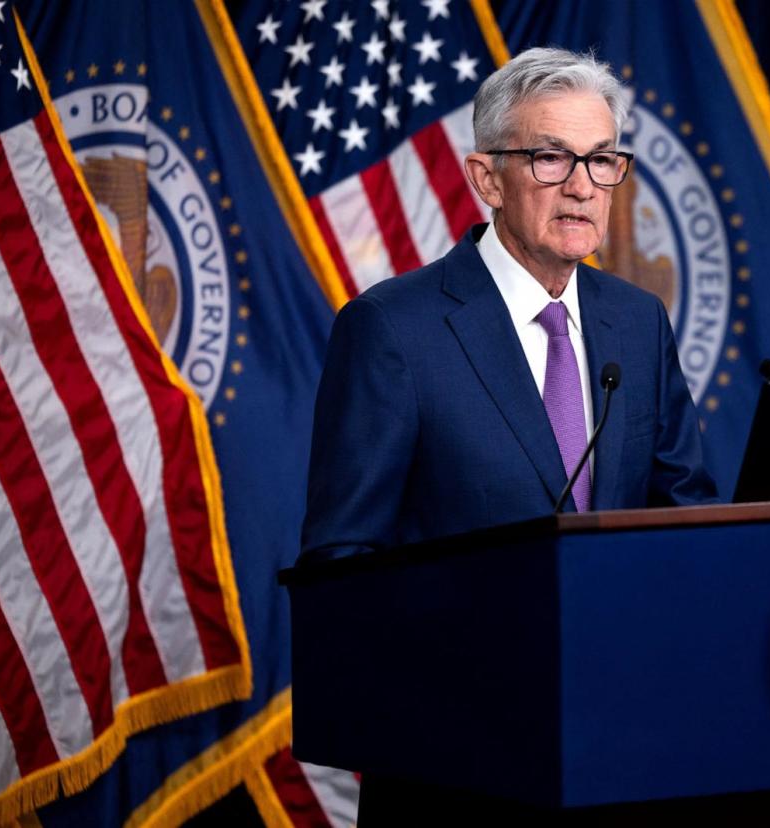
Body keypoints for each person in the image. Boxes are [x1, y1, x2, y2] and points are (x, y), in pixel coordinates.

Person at [300, 47, 717, 566]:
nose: (582, 187)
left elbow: (687, 517)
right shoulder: (392, 330)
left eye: (601, 159)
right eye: (551, 158)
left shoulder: (639, 321)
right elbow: (342, 558)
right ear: (487, 180)